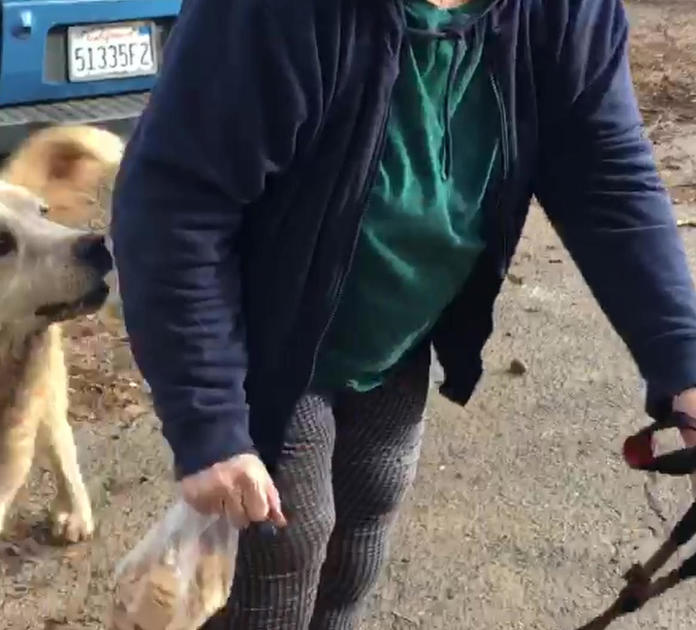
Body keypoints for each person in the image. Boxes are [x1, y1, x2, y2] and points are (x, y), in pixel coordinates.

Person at [109, 0, 696, 627]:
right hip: (264, 337)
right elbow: (175, 204)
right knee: (284, 551)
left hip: (399, 331)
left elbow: (606, 175)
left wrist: (684, 366)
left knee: (360, 535)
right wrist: (207, 418)